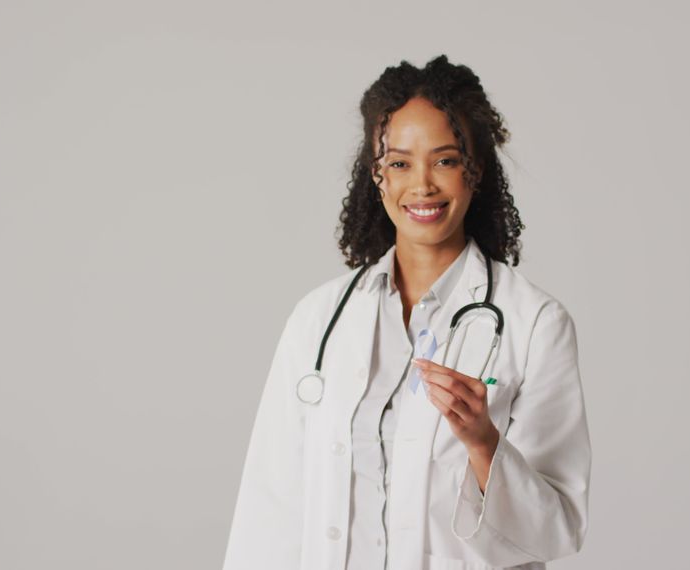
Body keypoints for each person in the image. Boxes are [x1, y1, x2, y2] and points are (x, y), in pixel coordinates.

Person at [222, 54, 591, 570]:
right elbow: (270, 512)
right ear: (377, 175)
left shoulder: (534, 324)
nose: (422, 185)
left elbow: (559, 528)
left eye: (444, 160)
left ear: (475, 170)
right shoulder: (318, 320)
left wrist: (486, 445)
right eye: (399, 163)